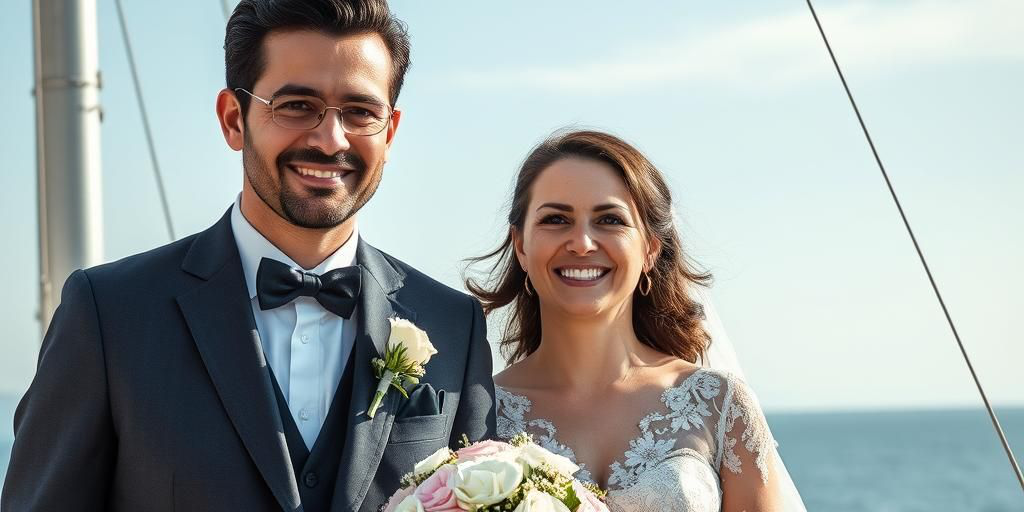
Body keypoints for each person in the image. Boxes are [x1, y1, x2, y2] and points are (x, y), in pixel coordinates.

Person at [1, 1, 495, 511]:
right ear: (234, 119)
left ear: (389, 132)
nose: (330, 140)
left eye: (360, 112)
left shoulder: (452, 326)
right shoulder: (108, 314)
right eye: (297, 106)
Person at [468, 130, 804, 511]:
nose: (581, 242)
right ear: (521, 246)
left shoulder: (722, 407)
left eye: (610, 219)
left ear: (649, 248)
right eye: (556, 219)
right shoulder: (479, 415)